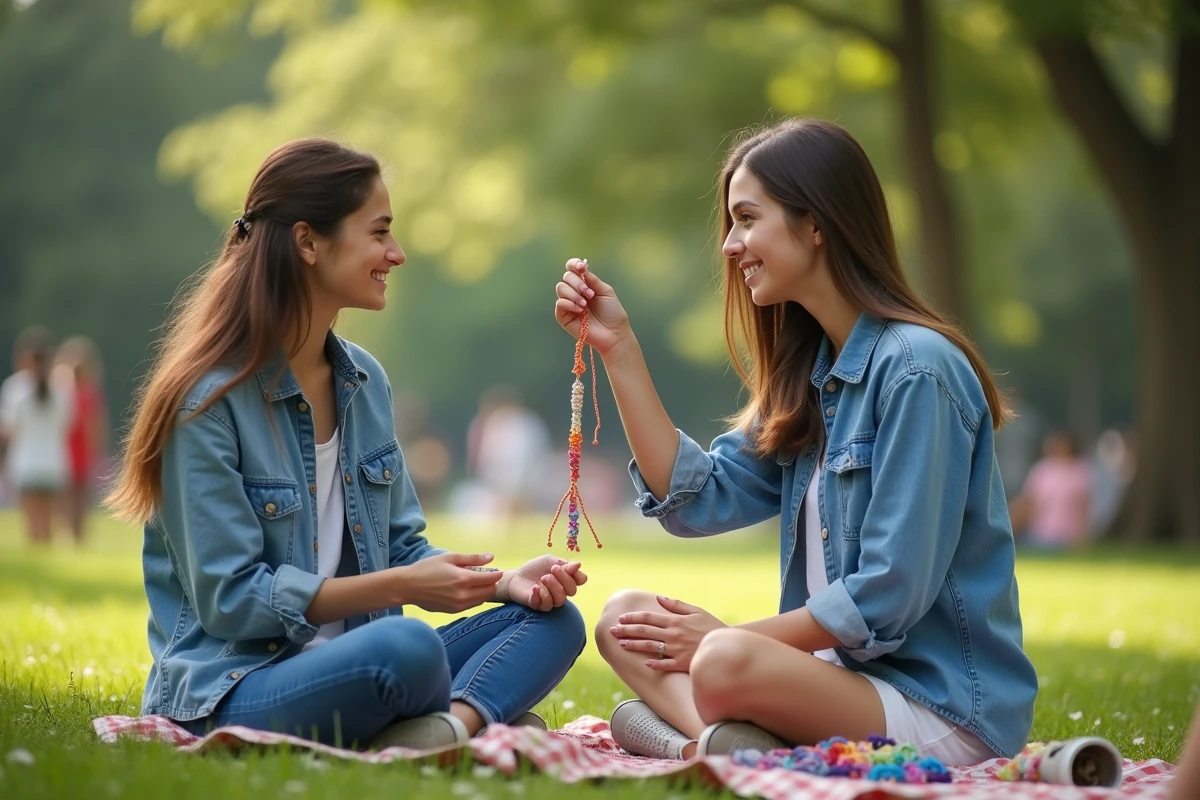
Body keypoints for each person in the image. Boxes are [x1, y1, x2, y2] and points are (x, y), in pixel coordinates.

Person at [553, 118, 1037, 765]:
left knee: (721, 657)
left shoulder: (918, 369)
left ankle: (703, 738)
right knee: (624, 618)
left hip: (938, 707)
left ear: (815, 224)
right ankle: (726, 742)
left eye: (747, 219)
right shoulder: (813, 378)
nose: (730, 245)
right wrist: (620, 350)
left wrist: (723, 642)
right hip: (836, 687)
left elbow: (887, 594)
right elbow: (696, 500)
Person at [105, 139, 587, 750]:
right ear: (308, 242)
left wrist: (505, 583)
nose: (397, 253)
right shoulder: (206, 402)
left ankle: (449, 726)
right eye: (379, 232)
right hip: (241, 683)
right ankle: (471, 717)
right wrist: (401, 588)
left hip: (363, 657)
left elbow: (402, 546)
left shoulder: (364, 380)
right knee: (405, 649)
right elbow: (231, 601)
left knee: (551, 621)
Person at [0, 326, 72, 545]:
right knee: (49, 519)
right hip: (53, 460)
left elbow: (9, 430)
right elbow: (66, 424)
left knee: (31, 520)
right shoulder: (61, 387)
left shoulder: (15, 387)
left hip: (26, 460)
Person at [55, 335, 109, 543]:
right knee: (77, 495)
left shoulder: (65, 393)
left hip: (72, 450)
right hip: (77, 450)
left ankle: (72, 532)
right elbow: (96, 427)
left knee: (71, 495)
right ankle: (76, 533)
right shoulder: (87, 394)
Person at [1009, 431, 1093, 550]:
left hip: (1069, 538)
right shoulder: (1042, 469)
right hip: (1041, 535)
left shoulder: (1079, 472)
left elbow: (1084, 507)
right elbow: (1029, 502)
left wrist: (1083, 537)